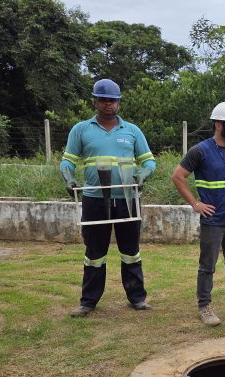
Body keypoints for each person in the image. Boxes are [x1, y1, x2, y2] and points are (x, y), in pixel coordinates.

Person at [59, 79, 156, 317]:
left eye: (112, 100)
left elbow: (149, 161)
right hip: (94, 199)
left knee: (131, 250)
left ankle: (137, 298)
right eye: (103, 100)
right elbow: (67, 162)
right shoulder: (81, 129)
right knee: (94, 252)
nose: (108, 104)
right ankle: (88, 302)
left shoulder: (132, 131)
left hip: (127, 199)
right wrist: (69, 179)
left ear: (119, 103)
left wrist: (142, 174)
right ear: (95, 101)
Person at [171, 101, 225, 327]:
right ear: (218, 125)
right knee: (207, 266)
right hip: (213, 220)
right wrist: (195, 204)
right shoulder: (200, 150)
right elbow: (178, 176)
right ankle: (204, 306)